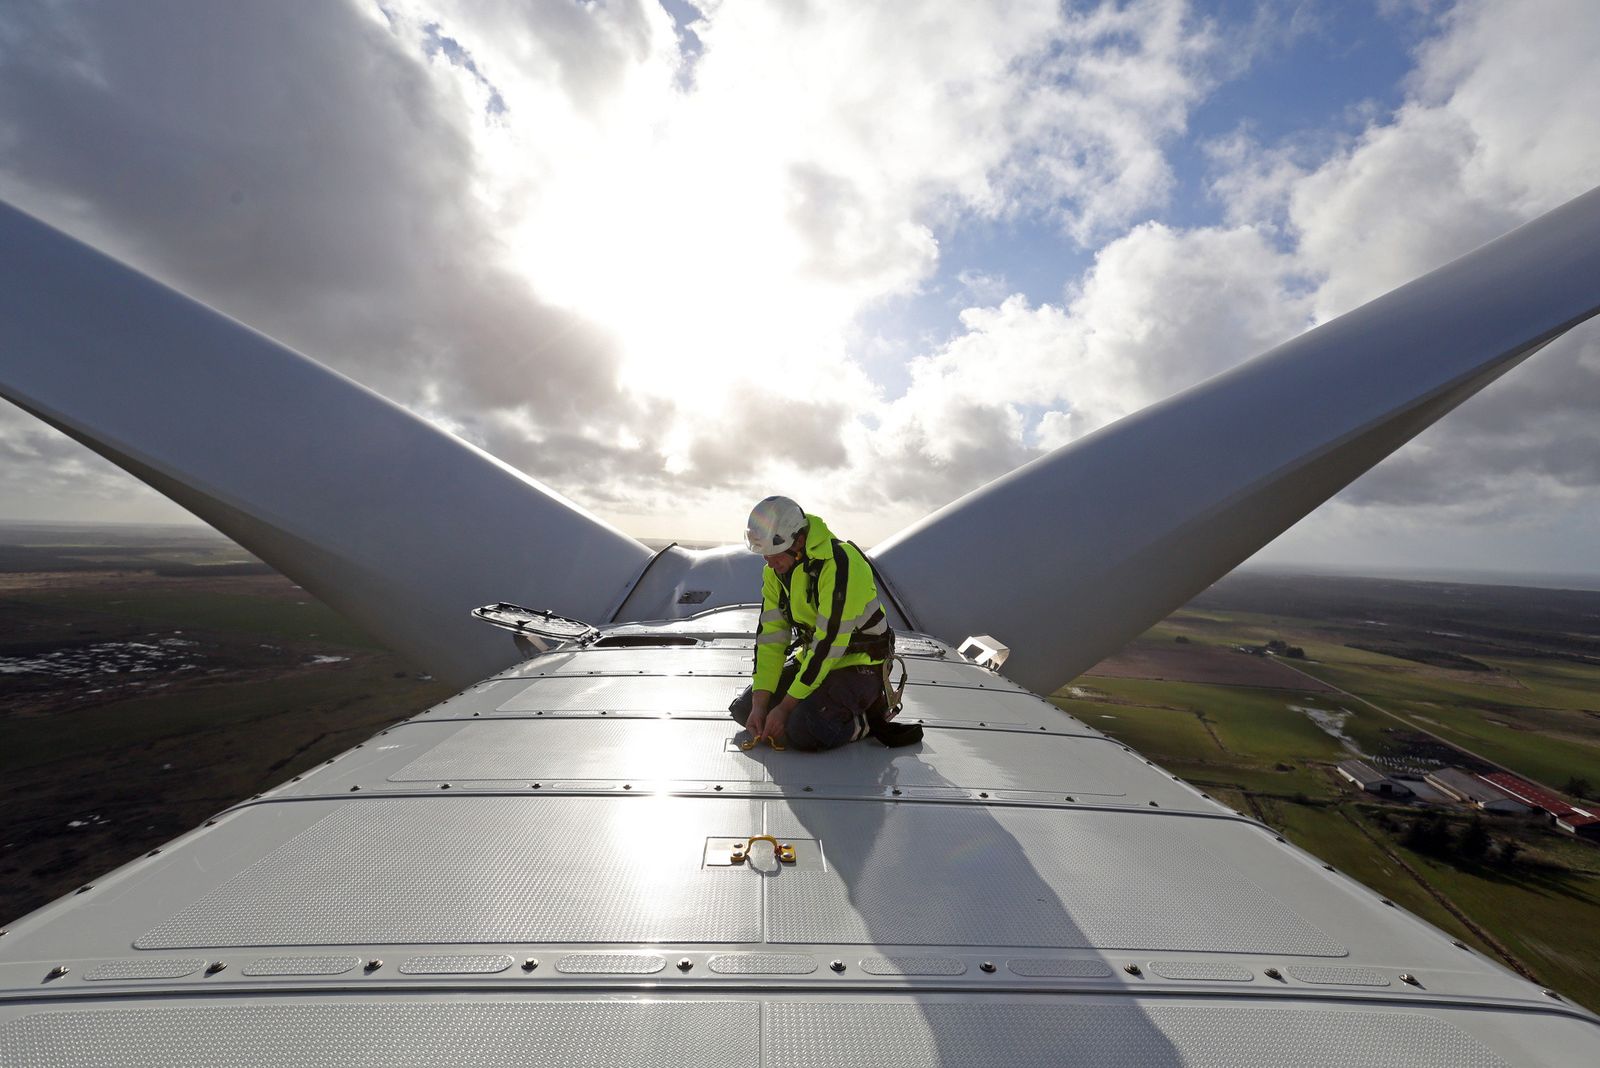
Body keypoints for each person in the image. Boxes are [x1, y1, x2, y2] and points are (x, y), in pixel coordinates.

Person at [729, 496, 894, 751]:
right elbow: (771, 637)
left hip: (860, 664)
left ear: (800, 541)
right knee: (745, 711)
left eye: (774, 554)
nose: (770, 564)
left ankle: (870, 716)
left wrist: (785, 707)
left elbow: (829, 643)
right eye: (764, 556)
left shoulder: (841, 564)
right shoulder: (776, 571)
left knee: (803, 729)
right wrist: (761, 704)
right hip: (815, 658)